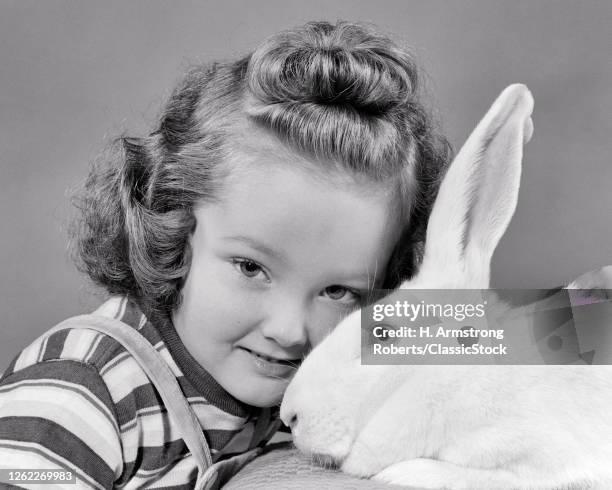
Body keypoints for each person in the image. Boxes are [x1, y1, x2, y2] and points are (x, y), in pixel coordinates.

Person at [0, 21, 449, 488]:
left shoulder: (349, 348)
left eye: (337, 290)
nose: (288, 330)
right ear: (176, 220)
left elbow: (520, 331)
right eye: (251, 268)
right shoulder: (77, 390)